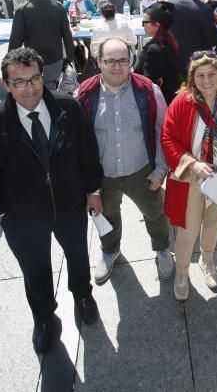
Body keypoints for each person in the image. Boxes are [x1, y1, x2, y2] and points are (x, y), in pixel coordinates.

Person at [0, 47, 103, 353]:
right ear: (6, 85)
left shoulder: (68, 107)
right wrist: (1, 211)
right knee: (35, 269)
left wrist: (93, 190)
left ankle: (82, 295)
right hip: (22, 217)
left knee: (78, 256)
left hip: (69, 206)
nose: (30, 87)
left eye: (35, 77)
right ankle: (44, 317)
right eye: (20, 81)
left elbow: (88, 151)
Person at [78, 38, 174, 286]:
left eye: (123, 60)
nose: (117, 67)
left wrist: (161, 170)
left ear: (131, 60)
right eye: (110, 61)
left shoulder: (148, 91)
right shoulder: (84, 95)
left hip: (140, 170)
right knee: (107, 216)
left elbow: (163, 132)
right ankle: (110, 251)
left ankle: (163, 249)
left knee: (155, 213)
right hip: (104, 175)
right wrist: (88, 185)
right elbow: (77, 142)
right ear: (99, 62)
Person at [161, 51, 217, 300]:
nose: (207, 80)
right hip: (191, 177)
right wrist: (191, 163)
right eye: (200, 75)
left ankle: (208, 259)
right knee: (188, 229)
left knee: (213, 222)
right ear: (192, 78)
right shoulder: (182, 101)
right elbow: (168, 138)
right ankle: (182, 272)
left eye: (212, 74)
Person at [9, 0, 74, 90]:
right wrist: (70, 58)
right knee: (52, 90)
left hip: (32, 62)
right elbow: (67, 36)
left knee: (34, 92)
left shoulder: (22, 10)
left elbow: (15, 42)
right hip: (55, 60)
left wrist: (11, 66)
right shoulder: (58, 7)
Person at [170, 0, 217, 79]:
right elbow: (213, 40)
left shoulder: (171, 4)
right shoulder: (204, 10)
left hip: (174, 60)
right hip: (198, 62)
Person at [137, 2, 180, 105]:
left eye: (145, 22)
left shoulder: (154, 49)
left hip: (159, 102)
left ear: (157, 25)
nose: (143, 26)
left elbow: (147, 82)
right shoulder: (169, 41)